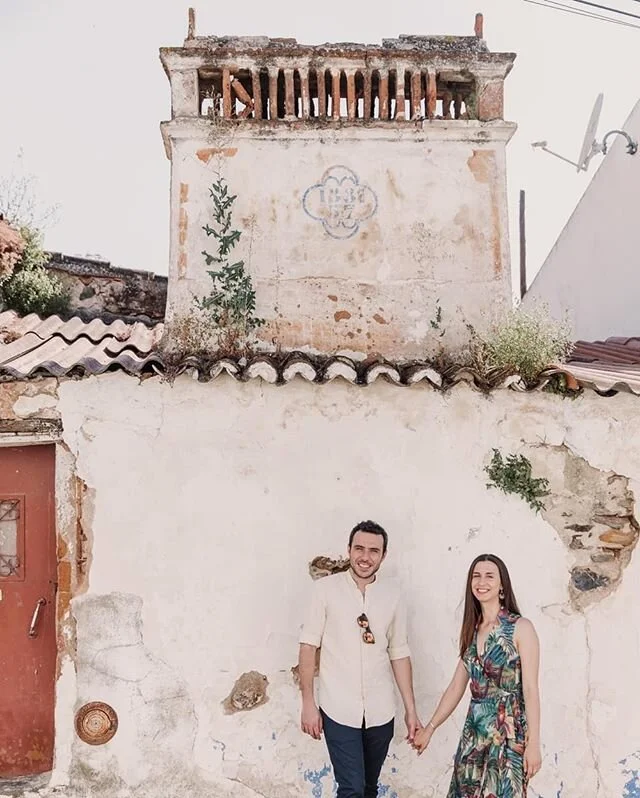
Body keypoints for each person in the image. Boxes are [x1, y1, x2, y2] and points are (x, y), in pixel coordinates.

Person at [298, 520, 421, 798]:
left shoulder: (393, 595)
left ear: (383, 555)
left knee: (367, 788)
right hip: (338, 708)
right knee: (351, 788)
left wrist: (410, 709)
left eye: (373, 551)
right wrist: (308, 702)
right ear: (349, 550)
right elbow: (308, 646)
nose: (365, 557)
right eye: (359, 549)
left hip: (380, 711)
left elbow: (399, 652)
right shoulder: (325, 590)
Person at [413, 553, 541, 797]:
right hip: (474, 734)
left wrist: (533, 744)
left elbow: (531, 690)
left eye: (489, 576)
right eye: (476, 576)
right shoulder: (472, 630)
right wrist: (430, 729)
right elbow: (456, 687)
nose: (482, 582)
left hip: (508, 734)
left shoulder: (521, 627)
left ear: (502, 584)